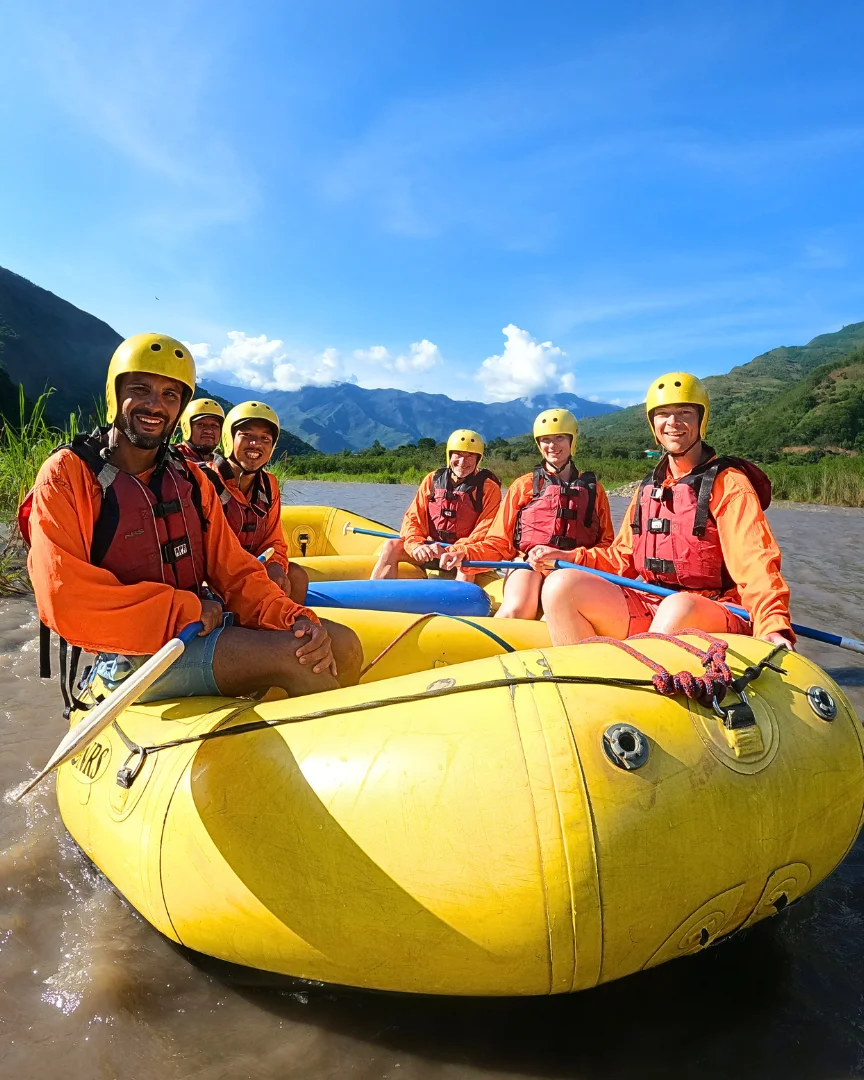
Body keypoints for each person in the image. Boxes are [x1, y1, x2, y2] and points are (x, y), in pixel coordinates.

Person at [24, 334, 361, 705]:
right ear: (115, 394)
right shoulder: (67, 474)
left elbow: (235, 570)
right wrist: (187, 609)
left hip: (192, 629)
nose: (156, 405)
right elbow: (63, 597)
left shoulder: (189, 478)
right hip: (126, 654)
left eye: (171, 395)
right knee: (300, 661)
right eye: (141, 389)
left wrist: (292, 617)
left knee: (343, 644)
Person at [537, 373, 795, 648]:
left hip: (717, 607)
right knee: (560, 585)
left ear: (700, 420)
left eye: (684, 412)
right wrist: (568, 556)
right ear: (653, 423)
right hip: (654, 601)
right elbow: (623, 558)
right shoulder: (649, 488)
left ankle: (644, 676)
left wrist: (772, 622)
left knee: (678, 606)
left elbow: (755, 561)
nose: (673, 423)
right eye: (663, 414)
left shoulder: (729, 483)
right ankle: (584, 682)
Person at [440, 409, 614, 618]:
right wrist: (466, 552)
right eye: (546, 439)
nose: (552, 446)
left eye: (560, 438)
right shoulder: (523, 485)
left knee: (559, 609)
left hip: (572, 566)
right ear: (539, 444)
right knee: (516, 609)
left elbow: (607, 545)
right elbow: (499, 542)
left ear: (572, 440)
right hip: (527, 562)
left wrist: (575, 558)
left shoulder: (594, 490)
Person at [201, 401, 309, 603]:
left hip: (250, 569)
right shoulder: (203, 480)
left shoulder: (269, 485)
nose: (256, 444)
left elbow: (274, 541)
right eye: (247, 435)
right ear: (229, 438)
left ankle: (285, 626)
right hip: (212, 577)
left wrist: (275, 565)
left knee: (296, 575)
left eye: (265, 438)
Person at [370, 430, 502, 582]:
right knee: (391, 546)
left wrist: (454, 551)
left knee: (467, 562)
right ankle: (374, 594)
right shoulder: (432, 479)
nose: (462, 462)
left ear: (478, 459)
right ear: (449, 455)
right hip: (431, 548)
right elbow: (413, 519)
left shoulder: (489, 489)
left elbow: (484, 531)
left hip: (462, 552)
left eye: (469, 456)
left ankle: (456, 603)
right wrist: (417, 546)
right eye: (457, 455)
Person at [176, 397, 224, 463]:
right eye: (201, 424)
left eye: (214, 425)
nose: (208, 430)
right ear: (186, 427)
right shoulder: (170, 457)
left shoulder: (222, 466)